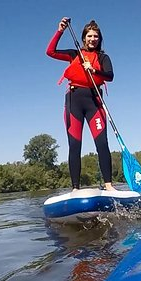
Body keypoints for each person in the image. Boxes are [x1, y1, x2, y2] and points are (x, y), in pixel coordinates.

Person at [46, 17, 117, 191]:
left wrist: (94, 70)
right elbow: (50, 51)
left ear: (99, 39)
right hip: (74, 102)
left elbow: (110, 76)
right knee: (75, 145)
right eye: (90, 36)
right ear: (84, 38)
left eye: (96, 36)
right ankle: (75, 189)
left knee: (102, 144)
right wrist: (60, 30)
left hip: (95, 103)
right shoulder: (74, 54)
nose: (93, 39)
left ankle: (109, 186)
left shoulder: (103, 57)